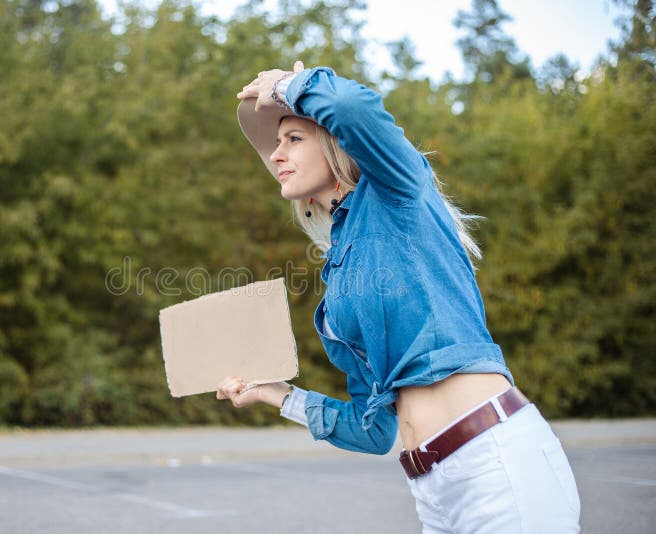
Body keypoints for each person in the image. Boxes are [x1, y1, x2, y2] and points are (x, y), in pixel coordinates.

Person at [217, 61, 581, 533]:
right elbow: (373, 432)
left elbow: (350, 105)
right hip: (432, 491)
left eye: (293, 139)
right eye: (276, 144)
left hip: (496, 464)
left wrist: (284, 85)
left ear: (334, 142)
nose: (276, 155)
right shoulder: (342, 275)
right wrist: (277, 394)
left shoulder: (397, 191)